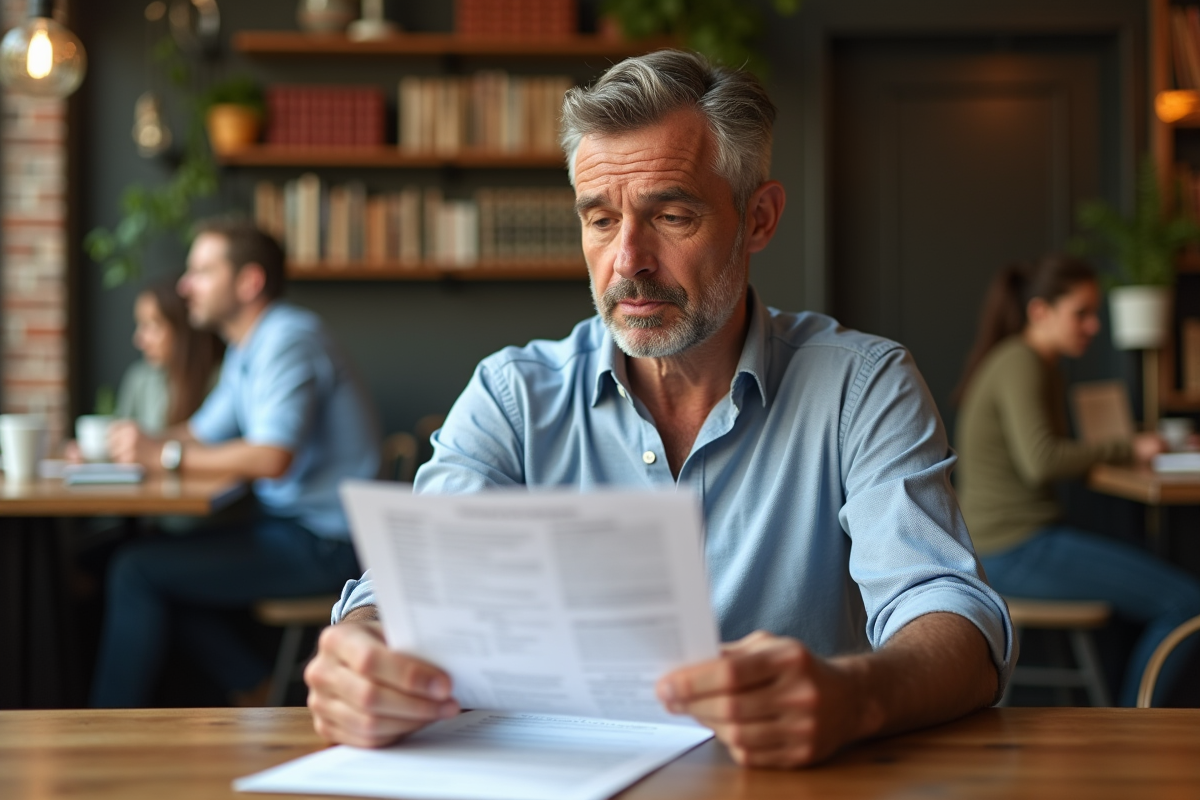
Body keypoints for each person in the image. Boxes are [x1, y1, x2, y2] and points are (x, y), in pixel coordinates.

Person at [304, 50, 1014, 768]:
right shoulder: (512, 396)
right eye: (602, 219)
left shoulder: (861, 386)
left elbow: (954, 618)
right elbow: (412, 592)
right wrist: (363, 646)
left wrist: (853, 695)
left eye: (671, 215)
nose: (628, 260)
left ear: (758, 219)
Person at [91, 218, 382, 708]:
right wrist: (128, 441)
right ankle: (253, 682)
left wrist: (161, 455)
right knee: (146, 562)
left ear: (249, 282)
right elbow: (201, 432)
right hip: (288, 528)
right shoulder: (248, 348)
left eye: (202, 271)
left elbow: (273, 457)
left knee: (137, 571)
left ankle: (99, 728)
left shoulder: (288, 339)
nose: (185, 286)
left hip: (329, 543)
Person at [953, 255, 1200, 707]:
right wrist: (1129, 447)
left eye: (1094, 314)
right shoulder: (1020, 363)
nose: (1092, 326)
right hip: (1013, 547)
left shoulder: (1035, 364)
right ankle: (1135, 726)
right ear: (1040, 311)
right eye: (1081, 313)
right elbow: (1042, 461)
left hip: (1012, 542)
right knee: (1187, 603)